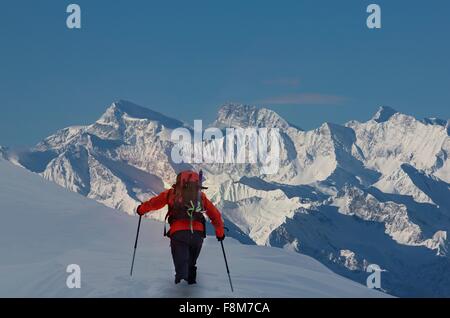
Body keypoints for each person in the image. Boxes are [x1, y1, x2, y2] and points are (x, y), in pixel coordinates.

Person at [136, 170, 225, 285]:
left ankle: (180, 290)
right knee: (191, 264)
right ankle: (191, 289)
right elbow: (215, 215)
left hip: (178, 234)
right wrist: (220, 233)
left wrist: (141, 209)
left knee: (181, 267)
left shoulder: (171, 194)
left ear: (179, 182)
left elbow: (154, 204)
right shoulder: (200, 197)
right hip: (197, 235)